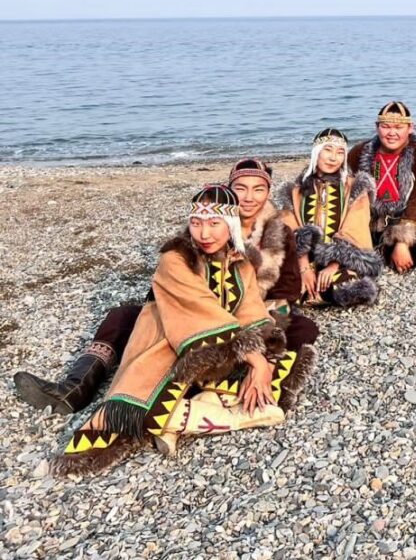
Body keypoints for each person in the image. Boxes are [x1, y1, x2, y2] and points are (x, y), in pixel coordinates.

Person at [14, 158, 317, 415]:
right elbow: (169, 282)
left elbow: (288, 290)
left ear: (267, 193)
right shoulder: (204, 224)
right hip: (190, 308)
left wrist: (249, 314)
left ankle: (230, 385)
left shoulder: (279, 232)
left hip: (253, 310)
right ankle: (75, 389)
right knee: (122, 318)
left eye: (258, 189)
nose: (249, 197)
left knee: (300, 328)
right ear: (228, 190)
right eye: (241, 188)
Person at [52, 185, 290, 475]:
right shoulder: (175, 258)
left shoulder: (241, 264)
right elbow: (200, 312)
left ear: (230, 225)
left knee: (280, 365)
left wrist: (262, 360)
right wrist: (255, 360)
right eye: (197, 223)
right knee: (135, 409)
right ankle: (234, 418)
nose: (204, 234)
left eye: (214, 223)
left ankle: (189, 415)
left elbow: (250, 311)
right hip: (169, 343)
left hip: (220, 347)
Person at [280, 128, 381, 306]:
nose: (333, 158)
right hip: (305, 260)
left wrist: (333, 265)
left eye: (340, 152)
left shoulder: (355, 188)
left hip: (343, 260)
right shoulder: (295, 191)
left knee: (348, 284)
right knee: (287, 283)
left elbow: (355, 229)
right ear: (316, 153)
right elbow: (290, 228)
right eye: (328, 150)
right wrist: (304, 268)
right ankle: (315, 292)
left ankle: (318, 292)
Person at [347, 101, 416, 273]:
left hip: (406, 221)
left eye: (398, 127)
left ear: (410, 128)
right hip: (368, 222)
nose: (392, 133)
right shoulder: (358, 152)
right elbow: (349, 196)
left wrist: (402, 241)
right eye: (386, 126)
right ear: (377, 127)